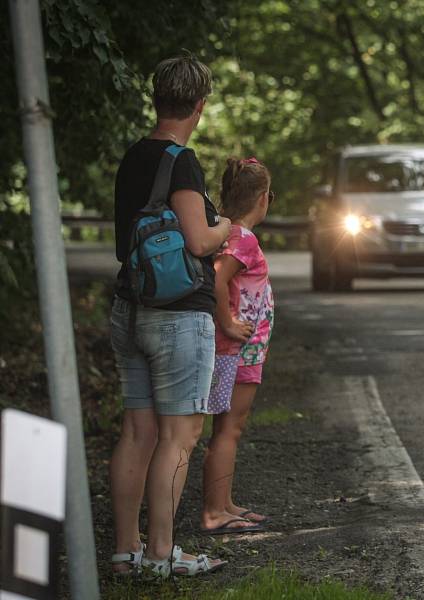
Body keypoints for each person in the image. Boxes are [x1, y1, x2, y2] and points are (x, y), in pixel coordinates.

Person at [109, 54, 229, 577]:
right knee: (178, 436)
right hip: (178, 317)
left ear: (158, 98)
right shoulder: (181, 161)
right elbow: (199, 239)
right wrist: (229, 224)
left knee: (137, 431)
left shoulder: (133, 156)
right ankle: (161, 554)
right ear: (199, 106)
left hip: (128, 307)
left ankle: (125, 551)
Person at [201, 157, 275, 534]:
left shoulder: (226, 232)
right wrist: (228, 322)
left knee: (227, 428)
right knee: (230, 428)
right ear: (263, 198)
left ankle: (224, 502)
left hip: (240, 350)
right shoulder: (242, 239)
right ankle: (214, 511)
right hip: (237, 350)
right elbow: (218, 279)